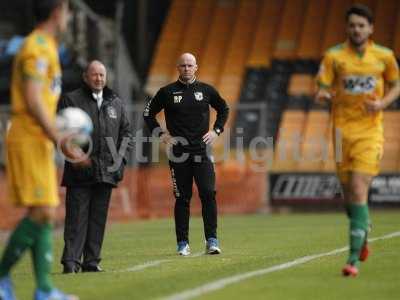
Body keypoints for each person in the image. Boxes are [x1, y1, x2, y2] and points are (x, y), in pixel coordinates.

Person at [0, 1, 82, 299]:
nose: (69, 18)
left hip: (39, 139)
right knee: (43, 211)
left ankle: (44, 290)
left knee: (45, 211)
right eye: (68, 11)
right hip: (29, 137)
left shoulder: (47, 47)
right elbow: (34, 100)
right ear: (58, 11)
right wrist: (59, 137)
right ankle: (3, 277)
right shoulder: (36, 47)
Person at [315, 4, 400, 277]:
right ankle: (363, 232)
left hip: (370, 133)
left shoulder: (384, 56)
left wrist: (383, 103)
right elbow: (321, 89)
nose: (357, 29)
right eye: (352, 25)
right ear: (347, 28)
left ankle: (352, 260)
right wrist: (325, 96)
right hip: (341, 132)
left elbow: (397, 84)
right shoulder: (334, 56)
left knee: (359, 188)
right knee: (349, 197)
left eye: (361, 25)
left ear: (370, 28)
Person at [143, 53, 229, 256]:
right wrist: (161, 134)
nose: (187, 68)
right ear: (177, 67)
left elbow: (223, 108)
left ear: (196, 67)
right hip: (178, 153)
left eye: (190, 65)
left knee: (208, 193)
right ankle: (183, 243)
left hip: (202, 152)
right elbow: (148, 113)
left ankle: (212, 240)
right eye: (183, 65)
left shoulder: (206, 90)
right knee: (182, 198)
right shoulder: (167, 92)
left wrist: (216, 130)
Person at [59, 60, 132, 274]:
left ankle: (91, 261)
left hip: (107, 171)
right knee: (76, 217)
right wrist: (77, 156)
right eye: (94, 75)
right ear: (85, 77)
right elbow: (62, 135)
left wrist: (120, 162)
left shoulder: (115, 102)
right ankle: (71, 261)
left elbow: (126, 134)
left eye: (102, 75)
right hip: (79, 172)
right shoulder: (71, 100)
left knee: (98, 218)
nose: (99, 78)